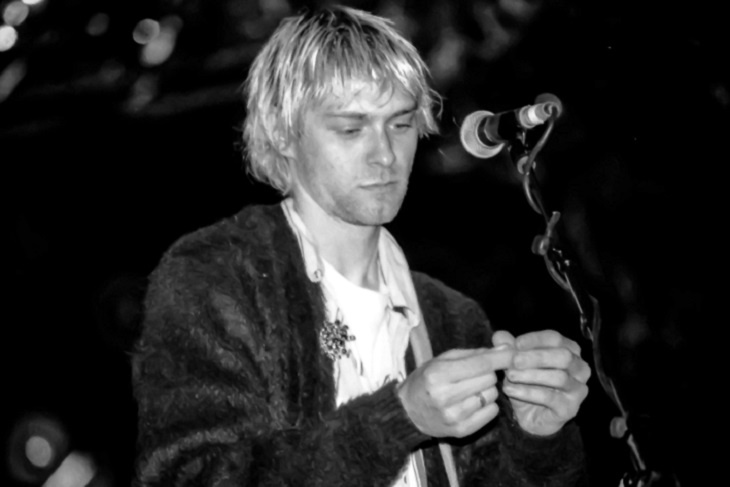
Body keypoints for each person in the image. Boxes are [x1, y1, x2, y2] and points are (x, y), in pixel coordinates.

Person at [131, 5, 591, 487]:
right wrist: (397, 420)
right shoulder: (213, 278)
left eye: (400, 124)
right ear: (283, 134)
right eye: (351, 129)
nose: (385, 155)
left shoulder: (451, 316)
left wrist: (537, 438)